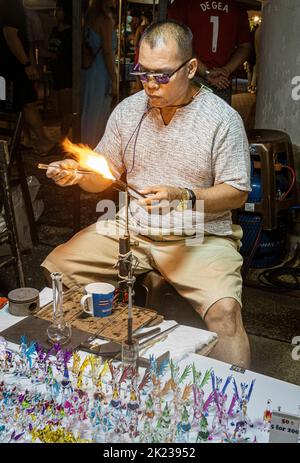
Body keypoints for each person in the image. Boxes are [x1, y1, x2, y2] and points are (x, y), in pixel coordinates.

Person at [42, 20, 251, 368]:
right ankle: (87, 367)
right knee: (59, 270)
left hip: (198, 235)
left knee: (226, 314)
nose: (151, 84)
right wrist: (77, 175)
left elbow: (236, 194)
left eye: (162, 75)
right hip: (134, 229)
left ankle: (231, 411)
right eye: (143, 72)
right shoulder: (128, 110)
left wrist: (183, 196)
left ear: (191, 68)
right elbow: (101, 176)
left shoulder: (222, 120)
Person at [168, 0, 251, 104]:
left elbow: (177, 42)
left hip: (191, 76)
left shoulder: (182, 4)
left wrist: (207, 72)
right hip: (222, 80)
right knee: (220, 117)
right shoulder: (237, 6)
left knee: (187, 117)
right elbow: (245, 46)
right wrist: (226, 70)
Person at [0, 0, 55, 154]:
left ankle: (26, 140)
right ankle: (42, 141)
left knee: (20, 104)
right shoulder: (12, 6)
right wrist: (26, 64)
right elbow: (11, 35)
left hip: (9, 66)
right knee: (28, 102)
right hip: (13, 66)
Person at [81, 0, 117, 148]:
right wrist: (114, 78)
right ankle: (93, 149)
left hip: (88, 70)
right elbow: (108, 52)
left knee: (88, 110)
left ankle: (85, 147)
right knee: (98, 113)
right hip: (100, 71)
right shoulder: (105, 21)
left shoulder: (88, 19)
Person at [47, 0, 73, 140]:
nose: (57, 12)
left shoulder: (71, 32)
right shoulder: (55, 30)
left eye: (59, 9)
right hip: (55, 74)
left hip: (66, 74)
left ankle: (64, 139)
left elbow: (66, 55)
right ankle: (62, 136)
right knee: (56, 108)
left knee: (66, 109)